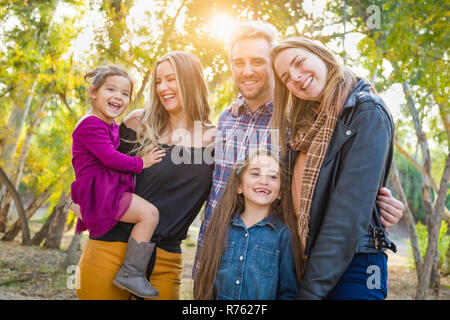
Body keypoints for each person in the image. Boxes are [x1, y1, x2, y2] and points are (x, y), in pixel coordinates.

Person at [193, 20, 404, 279]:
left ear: (274, 66)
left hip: (265, 268)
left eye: (258, 62)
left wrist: (375, 204)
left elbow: (333, 180)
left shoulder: (301, 125)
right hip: (211, 257)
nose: (247, 71)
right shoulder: (226, 118)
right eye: (239, 62)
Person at [74, 52, 215, 300]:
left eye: (171, 79)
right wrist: (80, 200)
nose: (163, 88)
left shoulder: (216, 138)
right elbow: (95, 164)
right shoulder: (138, 122)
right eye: (158, 81)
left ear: (191, 81)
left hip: (165, 257)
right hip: (109, 246)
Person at [271, 36, 397, 299]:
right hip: (305, 260)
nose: (295, 77)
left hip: (357, 264)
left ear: (322, 55)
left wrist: (311, 292)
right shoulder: (303, 126)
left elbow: (348, 215)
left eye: (300, 62)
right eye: (285, 77)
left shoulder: (367, 112)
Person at [71, 65, 164, 298]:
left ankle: (131, 271)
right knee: (149, 214)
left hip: (104, 188)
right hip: (100, 191)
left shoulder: (109, 124)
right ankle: (131, 272)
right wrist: (142, 163)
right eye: (111, 89)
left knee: (148, 214)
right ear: (93, 93)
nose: (118, 97)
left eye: (124, 93)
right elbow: (109, 158)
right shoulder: (91, 124)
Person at [194, 150, 303, 300]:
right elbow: (207, 283)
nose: (264, 181)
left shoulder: (283, 235)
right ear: (239, 185)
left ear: (280, 192)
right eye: (255, 174)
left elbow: (288, 291)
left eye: (272, 176)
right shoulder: (222, 229)